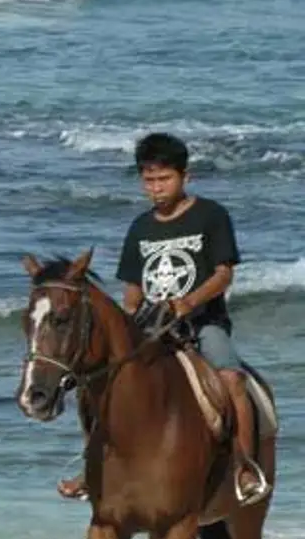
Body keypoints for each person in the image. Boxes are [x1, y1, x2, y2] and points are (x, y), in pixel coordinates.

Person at [57, 133, 268, 505]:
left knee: (232, 378)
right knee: (97, 383)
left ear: (185, 176)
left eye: (164, 178)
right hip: (151, 326)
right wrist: (127, 319)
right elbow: (134, 290)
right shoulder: (141, 228)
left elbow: (223, 274)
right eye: (149, 180)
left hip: (202, 324)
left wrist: (189, 302)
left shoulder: (210, 215)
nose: (156, 188)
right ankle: (94, 468)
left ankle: (244, 465)